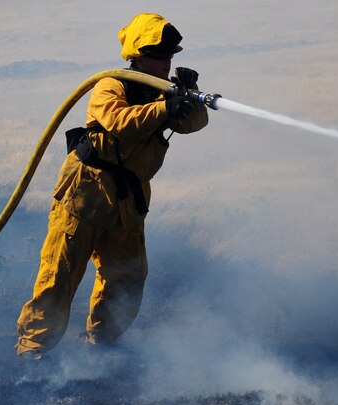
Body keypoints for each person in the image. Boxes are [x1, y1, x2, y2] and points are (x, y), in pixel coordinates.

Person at [15, 13, 208, 359]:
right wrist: (165, 107)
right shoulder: (112, 85)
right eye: (159, 57)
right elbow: (120, 122)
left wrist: (188, 97)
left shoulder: (165, 94)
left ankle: (103, 347)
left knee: (128, 276)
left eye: (169, 57)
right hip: (85, 193)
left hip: (127, 203)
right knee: (59, 274)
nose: (166, 64)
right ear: (138, 56)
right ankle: (33, 350)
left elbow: (195, 123)